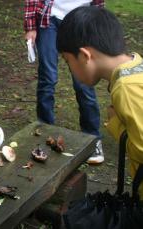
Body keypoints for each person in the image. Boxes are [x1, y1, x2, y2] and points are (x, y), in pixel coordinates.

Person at [57, 6, 143, 197]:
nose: (69, 68)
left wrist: (116, 125)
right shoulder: (137, 65)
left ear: (85, 56)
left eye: (67, 61)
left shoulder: (126, 89)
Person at [23, 0, 105, 164]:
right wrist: (31, 27)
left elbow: (98, 4)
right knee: (48, 78)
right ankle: (45, 132)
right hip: (50, 18)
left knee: (83, 83)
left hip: (81, 20)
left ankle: (93, 139)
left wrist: (97, 25)